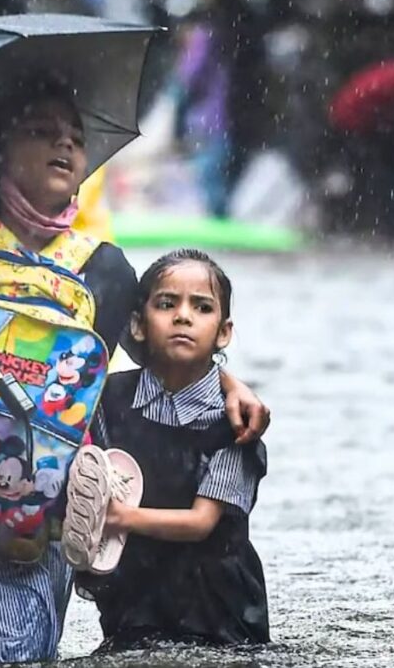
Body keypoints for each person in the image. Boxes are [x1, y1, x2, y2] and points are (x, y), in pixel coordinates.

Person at [0, 76, 271, 668]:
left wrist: (232, 385)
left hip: (37, 539)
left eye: (75, 138)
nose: (64, 144)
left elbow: (170, 357)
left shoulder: (105, 271)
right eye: (41, 131)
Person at [74, 249, 270, 650]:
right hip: (135, 600)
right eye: (166, 304)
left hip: (218, 612)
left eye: (202, 307)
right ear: (137, 324)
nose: (183, 316)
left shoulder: (233, 424)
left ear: (223, 333)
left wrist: (117, 517)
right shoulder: (108, 399)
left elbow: (201, 522)